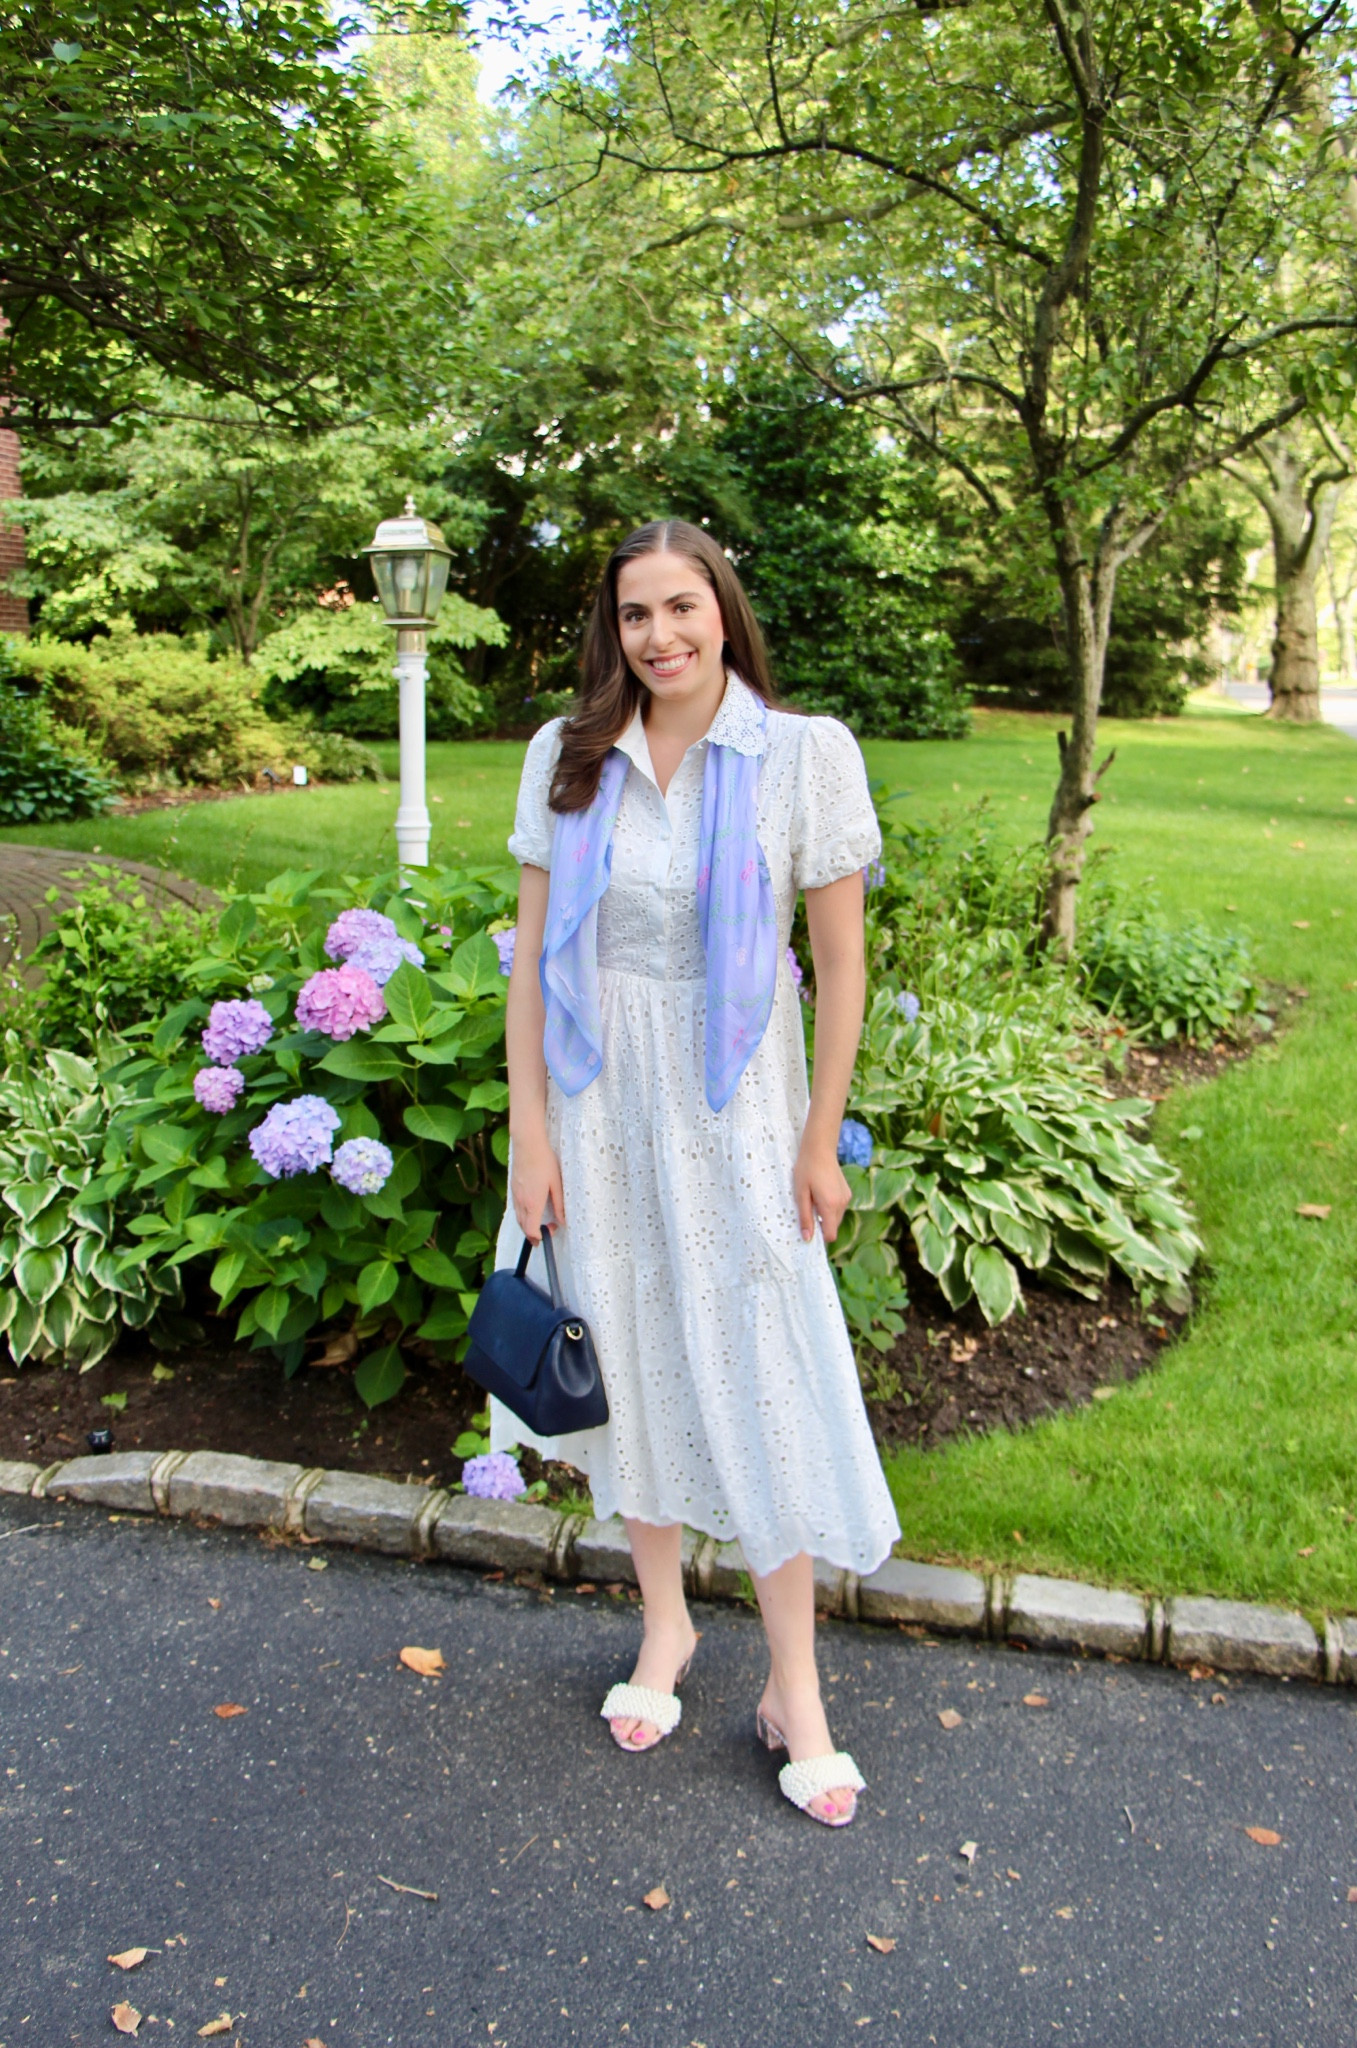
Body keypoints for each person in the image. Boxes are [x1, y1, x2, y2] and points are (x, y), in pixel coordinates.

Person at [494, 519, 899, 1827]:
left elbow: (838, 969)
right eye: (633, 616)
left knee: (760, 1379)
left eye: (681, 608)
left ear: (723, 609)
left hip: (737, 1117)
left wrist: (818, 1137)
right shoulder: (569, 761)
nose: (659, 637)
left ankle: (796, 1690)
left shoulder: (800, 758)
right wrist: (532, 1135)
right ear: (610, 632)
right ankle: (663, 1627)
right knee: (631, 1364)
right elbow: (532, 959)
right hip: (598, 1106)